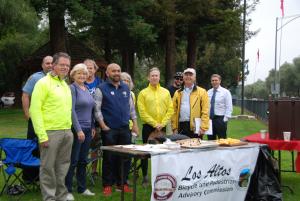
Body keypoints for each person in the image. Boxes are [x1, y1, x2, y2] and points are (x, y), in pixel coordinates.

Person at [29, 52, 73, 201]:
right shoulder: (43, 83)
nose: (65, 68)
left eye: (67, 65)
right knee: (48, 168)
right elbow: (34, 110)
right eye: (62, 64)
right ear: (53, 65)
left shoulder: (65, 84)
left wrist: (70, 131)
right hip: (50, 133)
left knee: (62, 167)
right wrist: (42, 135)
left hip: (67, 132)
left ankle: (61, 196)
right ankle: (49, 198)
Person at [94, 63, 137, 196]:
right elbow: (97, 109)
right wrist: (103, 125)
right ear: (107, 73)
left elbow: (131, 108)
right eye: (114, 71)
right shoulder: (101, 89)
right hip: (109, 129)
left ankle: (122, 183)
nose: (117, 73)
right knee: (109, 157)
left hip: (125, 128)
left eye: (118, 70)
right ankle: (107, 184)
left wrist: (135, 123)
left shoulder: (126, 88)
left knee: (125, 157)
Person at [137, 67, 173, 186]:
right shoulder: (143, 93)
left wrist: (162, 123)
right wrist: (154, 123)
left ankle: (160, 176)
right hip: (148, 127)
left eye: (156, 75)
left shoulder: (166, 92)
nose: (154, 77)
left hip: (162, 127)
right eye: (152, 75)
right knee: (145, 153)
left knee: (161, 152)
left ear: (159, 77)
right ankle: (145, 177)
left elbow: (170, 109)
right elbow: (142, 112)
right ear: (148, 77)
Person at [65, 64, 95, 201]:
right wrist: (78, 130)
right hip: (77, 130)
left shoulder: (87, 88)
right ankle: (67, 190)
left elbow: (91, 109)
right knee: (73, 160)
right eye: (79, 74)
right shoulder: (72, 88)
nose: (82, 76)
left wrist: (93, 126)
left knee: (83, 160)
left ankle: (82, 188)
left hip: (89, 130)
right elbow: (71, 110)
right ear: (73, 75)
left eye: (84, 74)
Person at [21, 55, 53, 183]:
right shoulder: (35, 77)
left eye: (52, 63)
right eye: (47, 63)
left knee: (46, 147)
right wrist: (27, 114)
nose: (50, 65)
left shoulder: (57, 78)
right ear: (42, 65)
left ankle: (43, 176)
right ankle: (30, 177)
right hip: (35, 119)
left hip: (50, 120)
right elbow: (25, 95)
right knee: (32, 146)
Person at [171, 68, 210, 139]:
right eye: (186, 75)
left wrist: (203, 126)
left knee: (196, 149)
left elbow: (205, 111)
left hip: (196, 127)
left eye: (190, 75)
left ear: (194, 78)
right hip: (181, 126)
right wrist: (174, 128)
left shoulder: (202, 92)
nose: (188, 77)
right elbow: (173, 111)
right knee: (181, 148)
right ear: (183, 77)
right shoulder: (178, 92)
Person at [83, 59, 103, 177]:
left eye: (91, 68)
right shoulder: (79, 82)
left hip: (96, 120)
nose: (88, 70)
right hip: (83, 119)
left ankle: (94, 170)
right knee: (82, 146)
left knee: (95, 146)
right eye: (86, 67)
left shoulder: (100, 83)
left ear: (95, 69)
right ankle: (82, 169)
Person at [207, 74, 233, 140]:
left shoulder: (226, 92)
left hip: (220, 119)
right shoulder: (208, 92)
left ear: (220, 81)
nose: (214, 82)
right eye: (212, 80)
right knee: (210, 140)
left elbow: (229, 107)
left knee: (222, 140)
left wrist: (225, 120)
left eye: (216, 80)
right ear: (211, 82)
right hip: (210, 119)